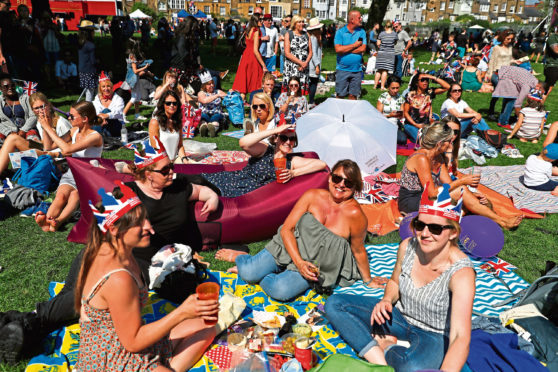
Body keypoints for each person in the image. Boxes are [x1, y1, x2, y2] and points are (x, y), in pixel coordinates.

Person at [0, 142, 221, 364]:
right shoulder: (129, 197)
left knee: (76, 301)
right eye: (164, 170)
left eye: (171, 166)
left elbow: (199, 190)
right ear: (146, 173)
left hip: (144, 263)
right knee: (76, 300)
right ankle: (26, 325)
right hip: (114, 258)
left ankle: (22, 325)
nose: (172, 172)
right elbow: (103, 223)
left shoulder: (177, 187)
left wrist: (211, 196)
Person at [325, 184, 475, 371]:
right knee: (334, 304)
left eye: (435, 228)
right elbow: (395, 281)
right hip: (398, 318)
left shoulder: (461, 273)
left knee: (412, 367)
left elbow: (460, 336)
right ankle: (379, 358)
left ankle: (385, 345)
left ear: (453, 232)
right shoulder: (407, 246)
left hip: (433, 334)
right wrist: (387, 300)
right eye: (419, 225)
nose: (425, 234)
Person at [74, 181, 218, 371]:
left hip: (123, 336)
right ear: (115, 230)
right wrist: (182, 312)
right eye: (139, 223)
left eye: (146, 218)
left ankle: (161, 364)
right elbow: (132, 343)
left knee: (207, 327)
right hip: (112, 356)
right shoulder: (119, 278)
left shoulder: (112, 249)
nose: (150, 228)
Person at [217, 159, 380, 301]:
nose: (341, 184)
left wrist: (368, 280)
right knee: (248, 273)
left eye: (348, 182)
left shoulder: (356, 216)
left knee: (280, 290)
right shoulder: (312, 196)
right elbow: (287, 229)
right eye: (337, 178)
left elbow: (358, 251)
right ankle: (244, 259)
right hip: (289, 248)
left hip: (315, 263)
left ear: (355, 187)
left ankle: (260, 270)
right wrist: (298, 262)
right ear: (330, 178)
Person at [398, 122, 522, 229]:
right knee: (461, 191)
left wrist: (470, 194)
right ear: (440, 143)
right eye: (450, 141)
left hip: (428, 197)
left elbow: (448, 184)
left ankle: (494, 218)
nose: (452, 144)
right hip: (412, 200)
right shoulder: (421, 159)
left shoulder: (438, 157)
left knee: (463, 193)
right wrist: (462, 182)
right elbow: (431, 193)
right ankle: (501, 221)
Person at [201, 124, 326, 198]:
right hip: (231, 179)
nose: (288, 142)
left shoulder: (291, 161)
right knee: (191, 182)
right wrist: (274, 130)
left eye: (292, 139)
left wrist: (293, 173)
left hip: (243, 192)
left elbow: (321, 164)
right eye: (283, 138)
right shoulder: (266, 150)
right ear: (276, 138)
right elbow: (243, 143)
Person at [35, 101, 103, 232]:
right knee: (60, 196)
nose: (69, 118)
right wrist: (46, 127)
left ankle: (58, 222)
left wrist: (49, 129)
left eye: (72, 116)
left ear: (84, 119)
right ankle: (47, 220)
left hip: (89, 175)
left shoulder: (95, 137)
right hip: (73, 172)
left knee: (75, 195)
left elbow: (67, 150)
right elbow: (48, 147)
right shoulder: (73, 131)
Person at [0, 92, 71, 176]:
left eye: (43, 106)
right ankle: (4, 172)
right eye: (36, 108)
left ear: (49, 105)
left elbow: (51, 148)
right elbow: (45, 146)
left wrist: (46, 127)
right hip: (45, 151)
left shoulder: (61, 122)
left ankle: (6, 172)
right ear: (32, 110)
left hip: (58, 157)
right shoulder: (38, 122)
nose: (41, 110)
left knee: (16, 153)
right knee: (13, 139)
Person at [402, 73, 450, 143]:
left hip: (425, 125)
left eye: (427, 80)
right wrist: (416, 125)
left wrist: (432, 77)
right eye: (422, 80)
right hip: (411, 124)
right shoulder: (410, 95)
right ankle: (411, 135)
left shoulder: (429, 92)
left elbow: (447, 87)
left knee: (439, 137)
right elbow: (405, 113)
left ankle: (414, 136)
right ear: (416, 83)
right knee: (423, 140)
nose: (425, 82)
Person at [490, 65, 540, 130]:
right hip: (500, 77)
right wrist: (521, 118)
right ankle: (503, 122)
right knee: (513, 99)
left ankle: (501, 120)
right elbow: (518, 104)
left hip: (496, 75)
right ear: (539, 86)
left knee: (508, 98)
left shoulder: (531, 78)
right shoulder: (528, 85)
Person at [333, 10, 366, 99]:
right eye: (359, 18)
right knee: (340, 96)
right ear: (352, 19)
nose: (361, 19)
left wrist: (346, 49)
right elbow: (338, 49)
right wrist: (354, 45)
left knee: (353, 96)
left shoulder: (361, 32)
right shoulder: (340, 32)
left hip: (357, 70)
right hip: (342, 70)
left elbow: (363, 48)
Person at [232, 15, 266, 96]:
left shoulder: (247, 30)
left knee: (244, 81)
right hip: (253, 57)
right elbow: (255, 50)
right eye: (260, 20)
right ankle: (255, 102)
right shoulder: (257, 31)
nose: (262, 21)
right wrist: (263, 65)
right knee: (257, 81)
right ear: (255, 21)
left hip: (245, 55)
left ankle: (241, 104)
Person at [0, 74, 37, 148]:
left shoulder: (25, 98)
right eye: (6, 86)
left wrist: (23, 130)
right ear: (1, 88)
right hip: (6, 131)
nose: (10, 88)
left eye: (12, 85)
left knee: (34, 143)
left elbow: (34, 116)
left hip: (27, 129)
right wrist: (8, 132)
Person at [148, 90, 184, 162]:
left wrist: (184, 159)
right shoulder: (155, 122)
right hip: (160, 162)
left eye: (174, 103)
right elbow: (155, 148)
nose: (172, 105)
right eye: (168, 103)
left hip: (174, 160)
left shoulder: (177, 121)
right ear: (163, 104)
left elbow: (180, 146)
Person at [283, 15, 312, 94]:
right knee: (291, 91)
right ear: (294, 24)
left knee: (301, 92)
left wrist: (305, 63)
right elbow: (287, 53)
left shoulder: (306, 35)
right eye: (299, 22)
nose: (302, 24)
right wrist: (300, 63)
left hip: (304, 67)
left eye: (303, 22)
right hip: (292, 67)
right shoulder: (289, 34)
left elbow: (310, 52)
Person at [122, 49, 151, 123]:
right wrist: (145, 67)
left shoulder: (132, 56)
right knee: (134, 98)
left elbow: (135, 65)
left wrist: (142, 63)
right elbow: (135, 71)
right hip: (133, 80)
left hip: (136, 80)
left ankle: (137, 115)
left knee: (138, 97)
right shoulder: (132, 57)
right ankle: (123, 115)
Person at [92, 72, 124, 137]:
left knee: (106, 110)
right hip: (101, 123)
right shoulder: (97, 98)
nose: (106, 89)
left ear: (112, 87)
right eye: (103, 86)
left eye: (108, 86)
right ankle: (103, 137)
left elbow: (118, 113)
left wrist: (106, 115)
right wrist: (101, 119)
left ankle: (97, 137)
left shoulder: (118, 99)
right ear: (100, 88)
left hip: (116, 126)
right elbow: (96, 111)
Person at [197, 70, 227, 137]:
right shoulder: (201, 93)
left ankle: (213, 130)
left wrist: (230, 94)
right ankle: (203, 129)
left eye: (212, 83)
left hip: (216, 113)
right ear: (204, 86)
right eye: (209, 84)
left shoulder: (218, 91)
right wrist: (216, 96)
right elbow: (205, 101)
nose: (212, 85)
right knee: (203, 118)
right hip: (205, 113)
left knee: (215, 118)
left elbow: (227, 97)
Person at [377, 75, 405, 144]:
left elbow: (403, 115)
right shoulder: (383, 97)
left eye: (397, 88)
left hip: (395, 124)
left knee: (403, 140)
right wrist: (389, 115)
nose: (395, 90)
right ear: (388, 87)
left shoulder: (400, 98)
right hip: (384, 123)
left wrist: (400, 116)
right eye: (393, 88)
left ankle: (388, 137)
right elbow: (377, 116)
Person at [77, 20, 97, 102]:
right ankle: (88, 107)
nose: (94, 33)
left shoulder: (80, 43)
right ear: (89, 33)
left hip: (82, 70)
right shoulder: (90, 45)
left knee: (90, 90)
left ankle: (94, 107)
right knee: (90, 92)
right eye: (93, 31)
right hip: (90, 71)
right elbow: (93, 61)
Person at [374, 21, 397, 90]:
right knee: (385, 71)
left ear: (385, 27)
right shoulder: (394, 34)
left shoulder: (381, 34)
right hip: (389, 53)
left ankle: (375, 86)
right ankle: (382, 86)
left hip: (381, 53)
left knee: (379, 70)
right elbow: (395, 43)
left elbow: (378, 43)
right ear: (392, 27)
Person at [307, 18, 323, 107]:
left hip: (314, 63)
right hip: (313, 65)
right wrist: (317, 65)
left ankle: (311, 100)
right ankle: (311, 101)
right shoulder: (313, 38)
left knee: (313, 82)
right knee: (313, 83)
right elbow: (313, 53)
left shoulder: (315, 38)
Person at [543, 28, 558, 100]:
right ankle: (535, 107)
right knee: (546, 90)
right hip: (553, 66)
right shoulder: (553, 37)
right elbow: (556, 50)